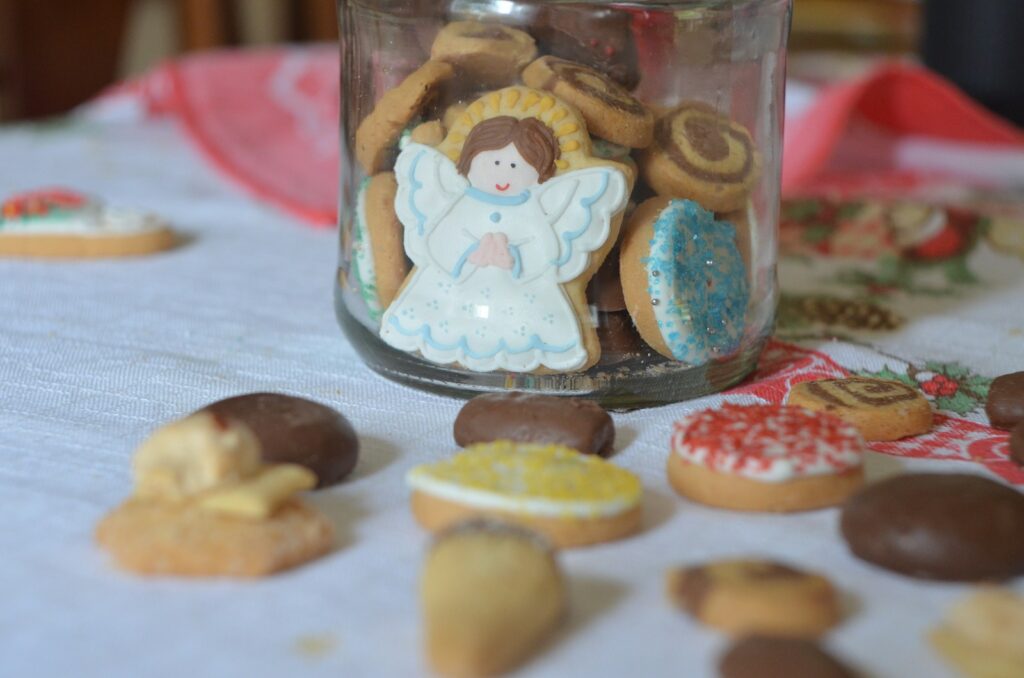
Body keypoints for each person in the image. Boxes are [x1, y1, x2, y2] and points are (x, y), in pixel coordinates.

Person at [381, 115, 627, 373]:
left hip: (522, 295)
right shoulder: (456, 199)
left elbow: (547, 252)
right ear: (470, 158)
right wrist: (467, 254)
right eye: (496, 161)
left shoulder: (538, 208)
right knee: (443, 322)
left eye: (515, 166)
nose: (503, 174)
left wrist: (515, 258)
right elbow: (439, 238)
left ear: (540, 171)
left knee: (522, 332)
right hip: (450, 292)